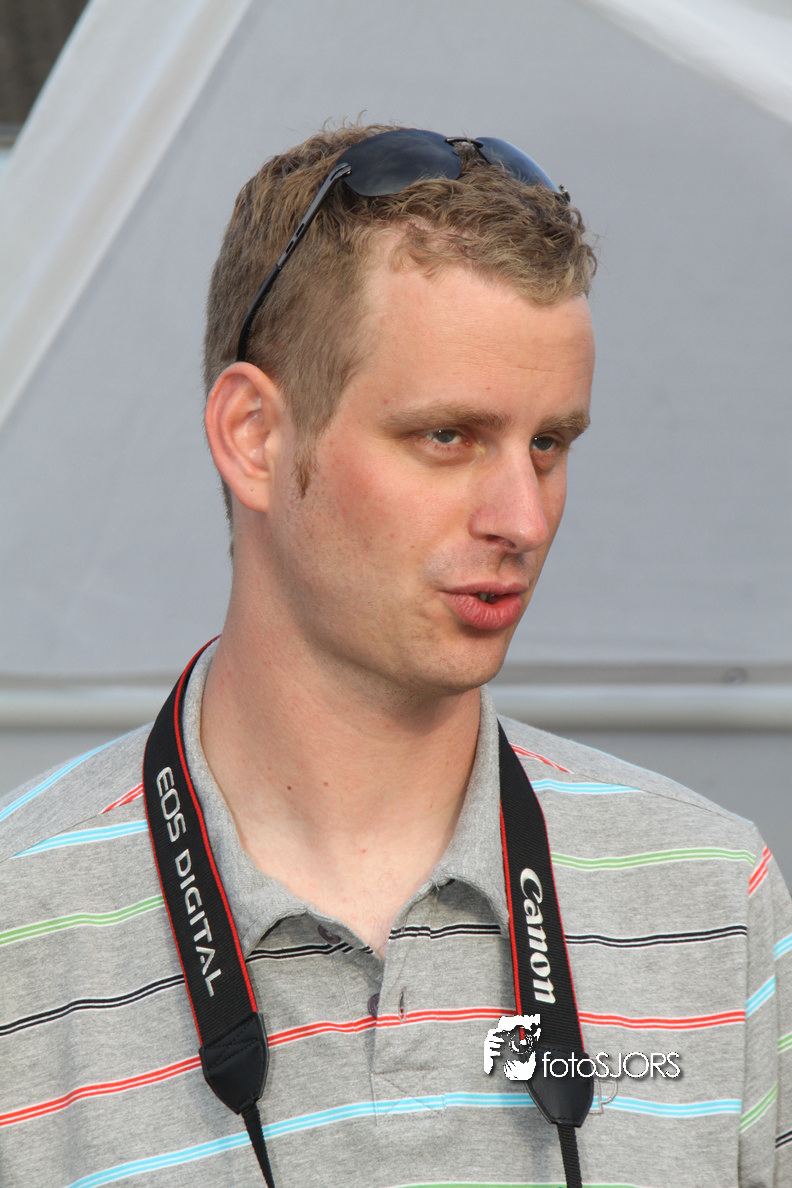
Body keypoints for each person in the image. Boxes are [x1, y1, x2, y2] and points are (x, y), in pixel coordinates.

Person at [0, 123, 790, 1188]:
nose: (523, 518)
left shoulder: (713, 902)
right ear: (253, 436)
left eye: (549, 444)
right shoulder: (19, 926)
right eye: (447, 437)